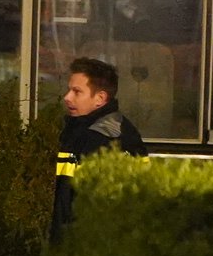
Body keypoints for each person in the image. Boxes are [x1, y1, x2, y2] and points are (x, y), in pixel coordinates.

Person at [52, 56, 148, 243]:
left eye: (77, 91)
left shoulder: (104, 138)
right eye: (69, 90)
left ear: (100, 98)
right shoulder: (84, 130)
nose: (67, 97)